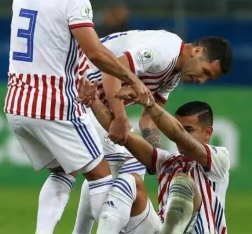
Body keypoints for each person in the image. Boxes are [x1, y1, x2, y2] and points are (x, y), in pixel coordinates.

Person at [4, 0, 152, 234]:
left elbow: (50, 42)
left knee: (61, 172)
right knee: (101, 175)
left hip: (16, 102)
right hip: (54, 103)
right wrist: (133, 79)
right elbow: (95, 51)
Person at [47, 30, 231, 234]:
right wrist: (119, 116)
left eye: (209, 78)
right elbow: (110, 71)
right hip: (74, 88)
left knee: (117, 172)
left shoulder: (218, 158)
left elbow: (149, 119)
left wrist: (160, 158)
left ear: (209, 133)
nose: (201, 80)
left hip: (89, 97)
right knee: (125, 172)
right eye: (205, 72)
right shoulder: (165, 51)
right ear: (197, 50)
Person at [89, 87, 229, 234]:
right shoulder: (167, 161)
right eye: (180, 127)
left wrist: (148, 102)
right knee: (130, 180)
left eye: (189, 129)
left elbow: (180, 137)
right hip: (160, 229)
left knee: (183, 182)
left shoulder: (219, 158)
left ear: (208, 133)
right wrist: (93, 100)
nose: (183, 134)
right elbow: (123, 134)